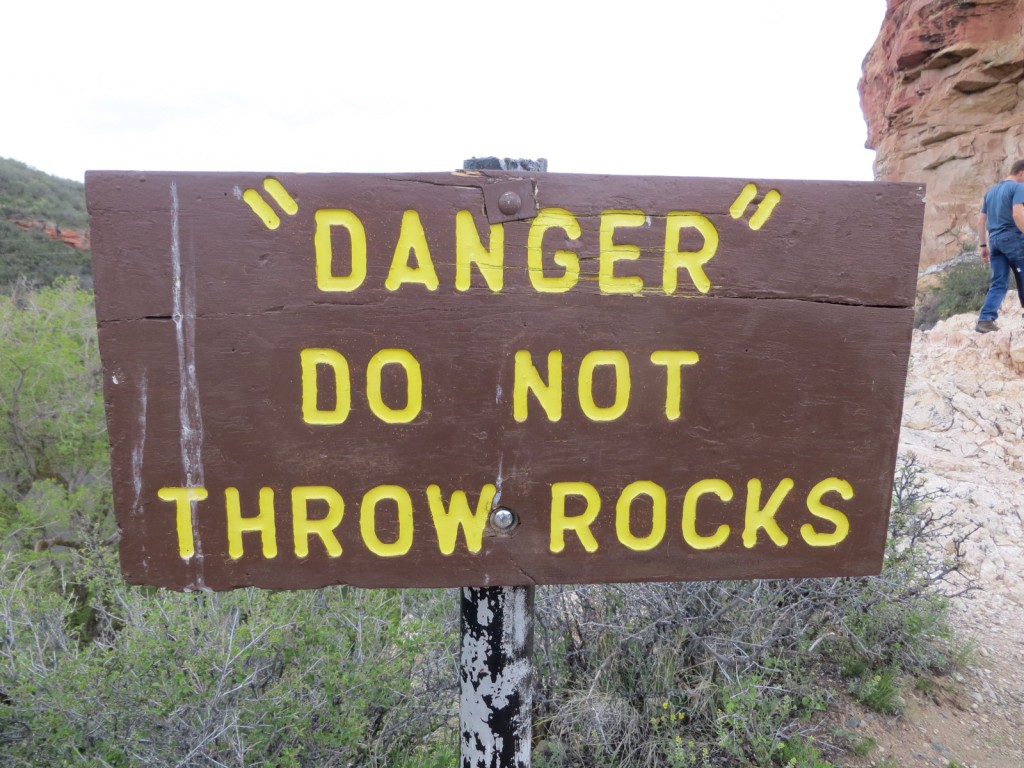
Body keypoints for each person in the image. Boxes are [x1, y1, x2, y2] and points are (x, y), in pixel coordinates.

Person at [976, 159, 1024, 333]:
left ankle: (985, 320)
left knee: (999, 282)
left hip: (994, 241)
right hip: (1013, 238)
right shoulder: (1018, 187)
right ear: (1022, 173)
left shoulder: (991, 192)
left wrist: (983, 246)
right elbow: (1018, 214)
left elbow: (981, 221)